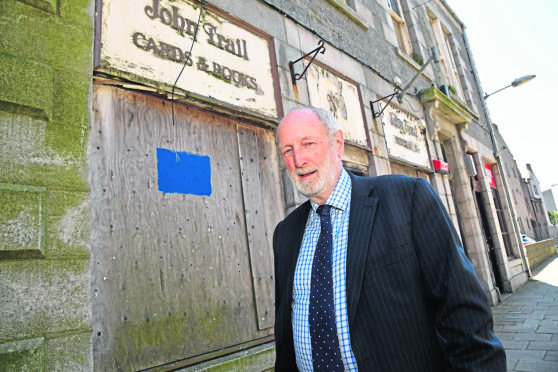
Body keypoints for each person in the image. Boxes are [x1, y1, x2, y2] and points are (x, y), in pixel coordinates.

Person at [272, 107, 506, 371]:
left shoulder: (408, 199)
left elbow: (465, 318)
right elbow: (286, 332)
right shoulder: (285, 233)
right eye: (287, 150)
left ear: (337, 143)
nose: (298, 159)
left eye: (308, 144)